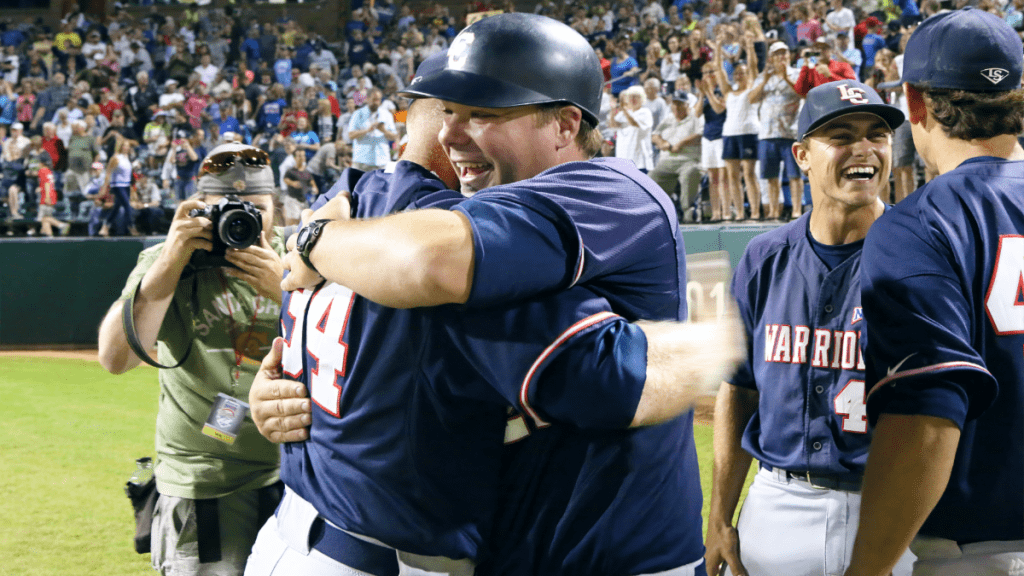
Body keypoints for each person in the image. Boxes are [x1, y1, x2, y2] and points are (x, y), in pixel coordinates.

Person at [247, 17, 739, 576]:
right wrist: (288, 390)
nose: (452, 135)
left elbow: (429, 262)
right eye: (448, 112)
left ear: (566, 123)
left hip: (620, 557)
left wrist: (312, 238)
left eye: (484, 113)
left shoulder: (613, 191)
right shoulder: (416, 217)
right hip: (510, 549)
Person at [704, 79, 913, 576]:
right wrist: (718, 516)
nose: (864, 148)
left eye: (877, 134)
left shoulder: (919, 254)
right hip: (777, 500)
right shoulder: (763, 258)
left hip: (889, 504)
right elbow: (738, 390)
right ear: (801, 155)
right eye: (841, 136)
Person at [845, 8, 1024, 575]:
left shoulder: (920, 225)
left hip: (983, 552)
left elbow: (925, 419)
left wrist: (867, 568)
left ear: (914, 103)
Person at [96, 143, 287, 576]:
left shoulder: (299, 258)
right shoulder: (168, 262)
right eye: (226, 210)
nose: (242, 221)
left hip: (293, 477)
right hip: (202, 484)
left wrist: (288, 290)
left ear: (275, 206)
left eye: (256, 208)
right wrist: (171, 258)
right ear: (200, 209)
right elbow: (115, 358)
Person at [748, 41, 804, 220]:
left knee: (794, 175)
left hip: (790, 132)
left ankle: (796, 210)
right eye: (777, 54)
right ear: (771, 58)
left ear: (789, 56)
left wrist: (785, 76)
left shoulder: (797, 73)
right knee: (771, 176)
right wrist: (764, 79)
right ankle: (773, 211)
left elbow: (802, 92)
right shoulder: (764, 77)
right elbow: (752, 99)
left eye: (784, 53)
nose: (782, 57)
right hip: (767, 133)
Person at [649, 92, 704, 213]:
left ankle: (688, 210)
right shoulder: (669, 118)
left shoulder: (695, 116)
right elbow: (654, 135)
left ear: (687, 105)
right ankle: (655, 211)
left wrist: (680, 143)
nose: (677, 107)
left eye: (680, 104)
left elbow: (699, 135)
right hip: (667, 160)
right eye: (674, 103)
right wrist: (663, 143)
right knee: (651, 177)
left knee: (690, 172)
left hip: (688, 160)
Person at [347, 88, 397, 171]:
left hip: (382, 161)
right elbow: (351, 135)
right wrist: (367, 130)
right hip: (362, 162)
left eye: (378, 100)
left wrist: (383, 130)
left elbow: (394, 136)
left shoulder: (386, 114)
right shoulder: (358, 114)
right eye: (374, 100)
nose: (377, 103)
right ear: (367, 99)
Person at [607, 85, 655, 172]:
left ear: (642, 99)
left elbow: (634, 123)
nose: (633, 99)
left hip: (640, 161)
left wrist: (624, 109)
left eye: (636, 97)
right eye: (630, 97)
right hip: (623, 159)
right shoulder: (623, 113)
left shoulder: (645, 112)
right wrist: (613, 109)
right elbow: (613, 125)